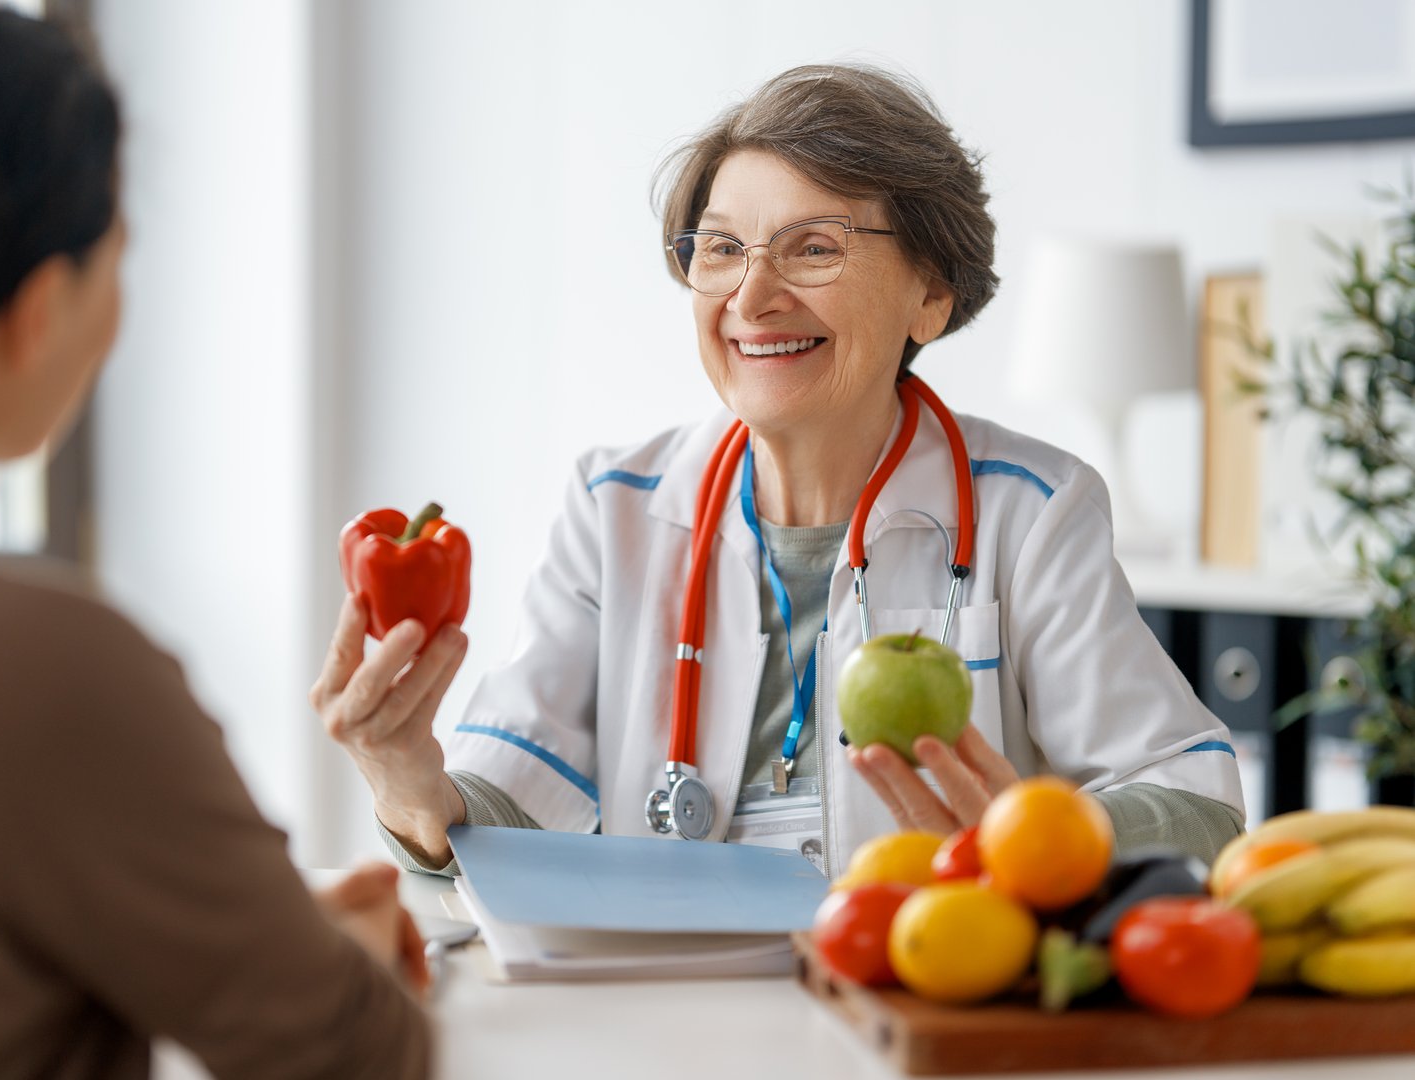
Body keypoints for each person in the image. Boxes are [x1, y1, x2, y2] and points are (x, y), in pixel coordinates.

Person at [313, 63, 1244, 880]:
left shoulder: (1032, 512)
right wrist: (406, 780)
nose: (753, 298)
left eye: (815, 247)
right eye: (721, 249)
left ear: (931, 291)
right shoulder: (616, 509)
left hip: (913, 996)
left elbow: (1194, 802)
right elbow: (504, 805)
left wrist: (1027, 840)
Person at [0, 6, 429, 1078]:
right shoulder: (30, 667)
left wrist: (229, 928)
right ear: (40, 307)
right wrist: (345, 961)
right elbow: (354, 1057)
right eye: (118, 259)